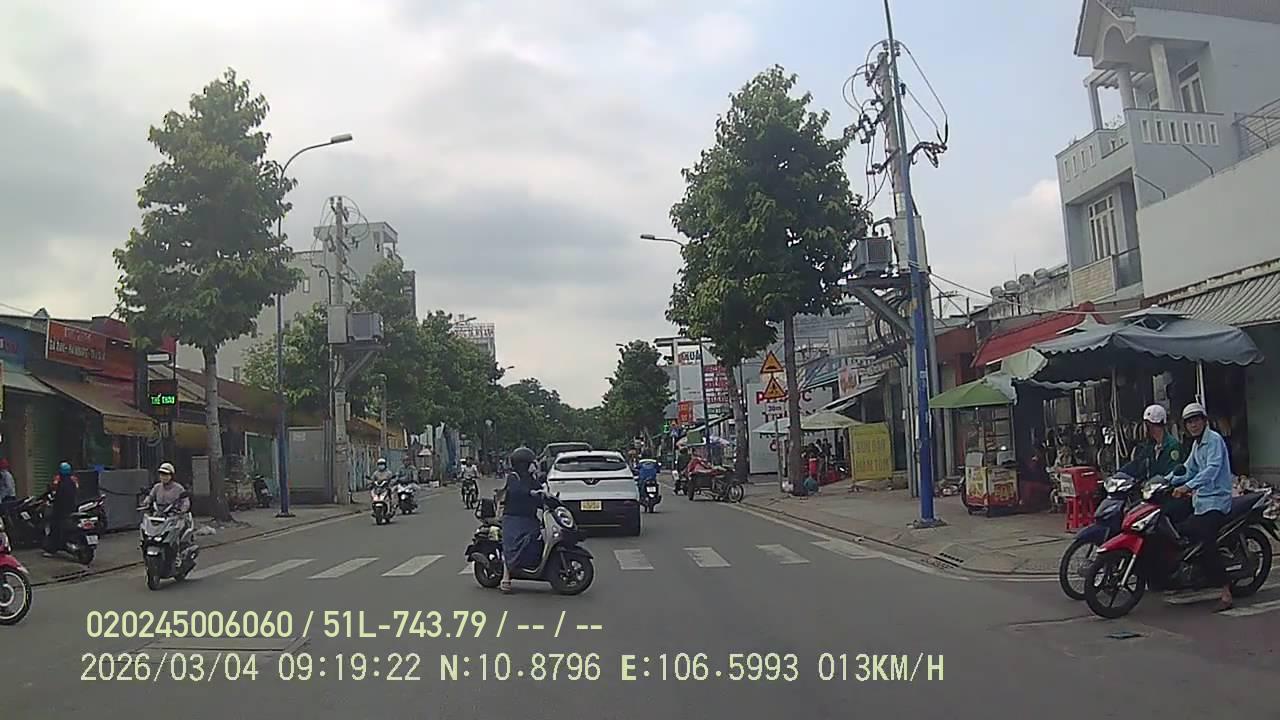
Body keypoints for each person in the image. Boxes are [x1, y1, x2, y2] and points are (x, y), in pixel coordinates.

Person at [1170, 402, 1235, 612]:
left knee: (1205, 541)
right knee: (1177, 526)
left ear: (1204, 421)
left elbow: (1211, 470)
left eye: (1196, 420)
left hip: (1217, 502)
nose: (1193, 425)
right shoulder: (1197, 446)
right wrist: (1164, 480)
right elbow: (1187, 469)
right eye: (1189, 422)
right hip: (1200, 503)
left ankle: (1226, 592)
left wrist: (1188, 486)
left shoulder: (1214, 440)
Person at [499, 447, 544, 594]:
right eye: (531, 463)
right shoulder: (513, 477)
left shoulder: (531, 478)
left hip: (530, 517)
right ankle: (506, 576)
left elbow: (540, 490)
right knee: (511, 546)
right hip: (514, 518)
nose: (534, 465)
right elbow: (516, 490)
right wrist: (530, 492)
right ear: (523, 464)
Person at [1119, 404, 1183, 482]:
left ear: (1150, 426)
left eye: (1146, 425)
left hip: (1165, 487)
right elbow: (1137, 463)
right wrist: (1120, 474)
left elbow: (1171, 471)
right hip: (1151, 486)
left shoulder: (1172, 446)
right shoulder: (1150, 446)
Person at [42, 462, 79, 557]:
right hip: (72, 508)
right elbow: (76, 490)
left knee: (55, 528)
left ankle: (51, 549)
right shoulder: (73, 480)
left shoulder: (59, 481)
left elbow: (54, 492)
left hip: (60, 509)